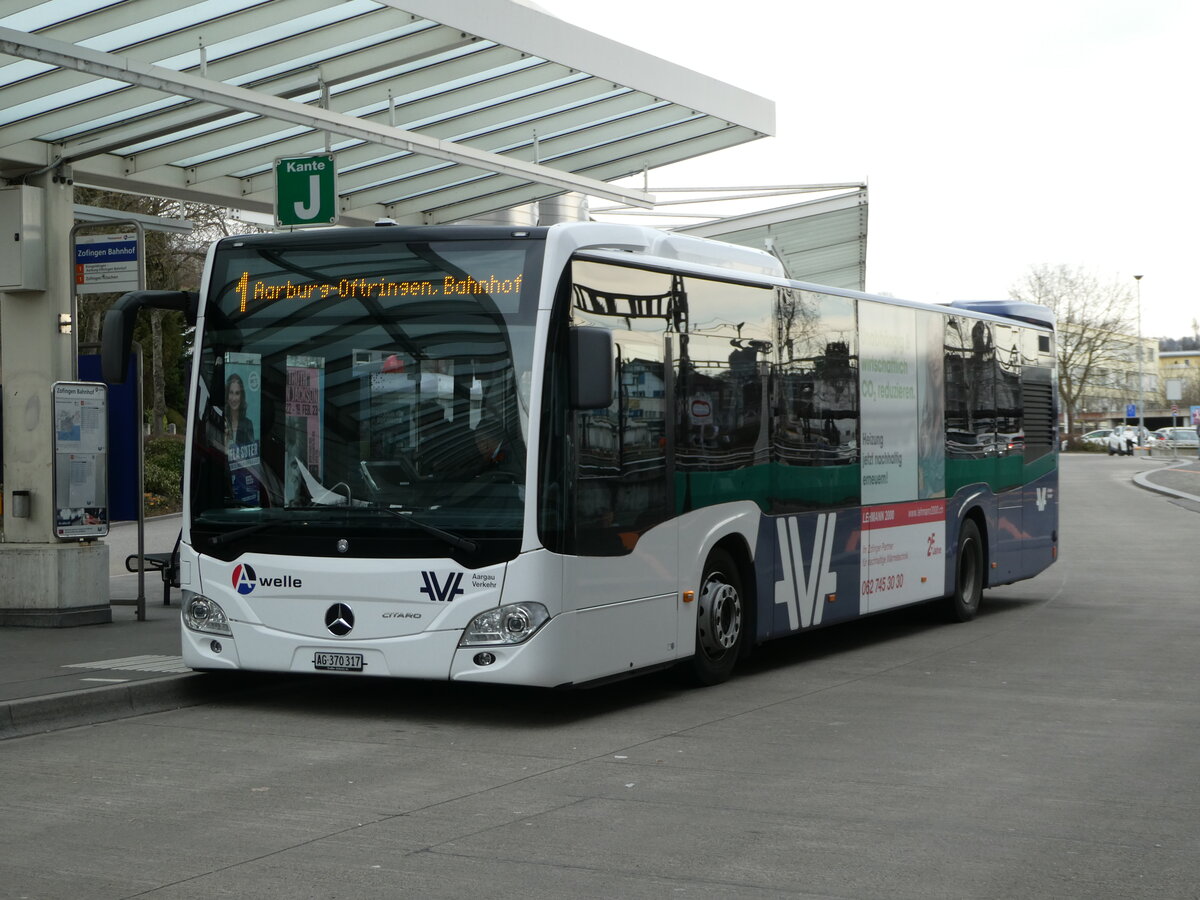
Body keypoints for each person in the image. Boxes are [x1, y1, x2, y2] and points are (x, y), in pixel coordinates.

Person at [225, 373, 255, 449]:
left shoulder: (248, 424)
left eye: (237, 393)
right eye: (231, 393)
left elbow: (251, 452)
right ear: (227, 395)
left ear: (241, 396)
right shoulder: (222, 418)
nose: (234, 398)